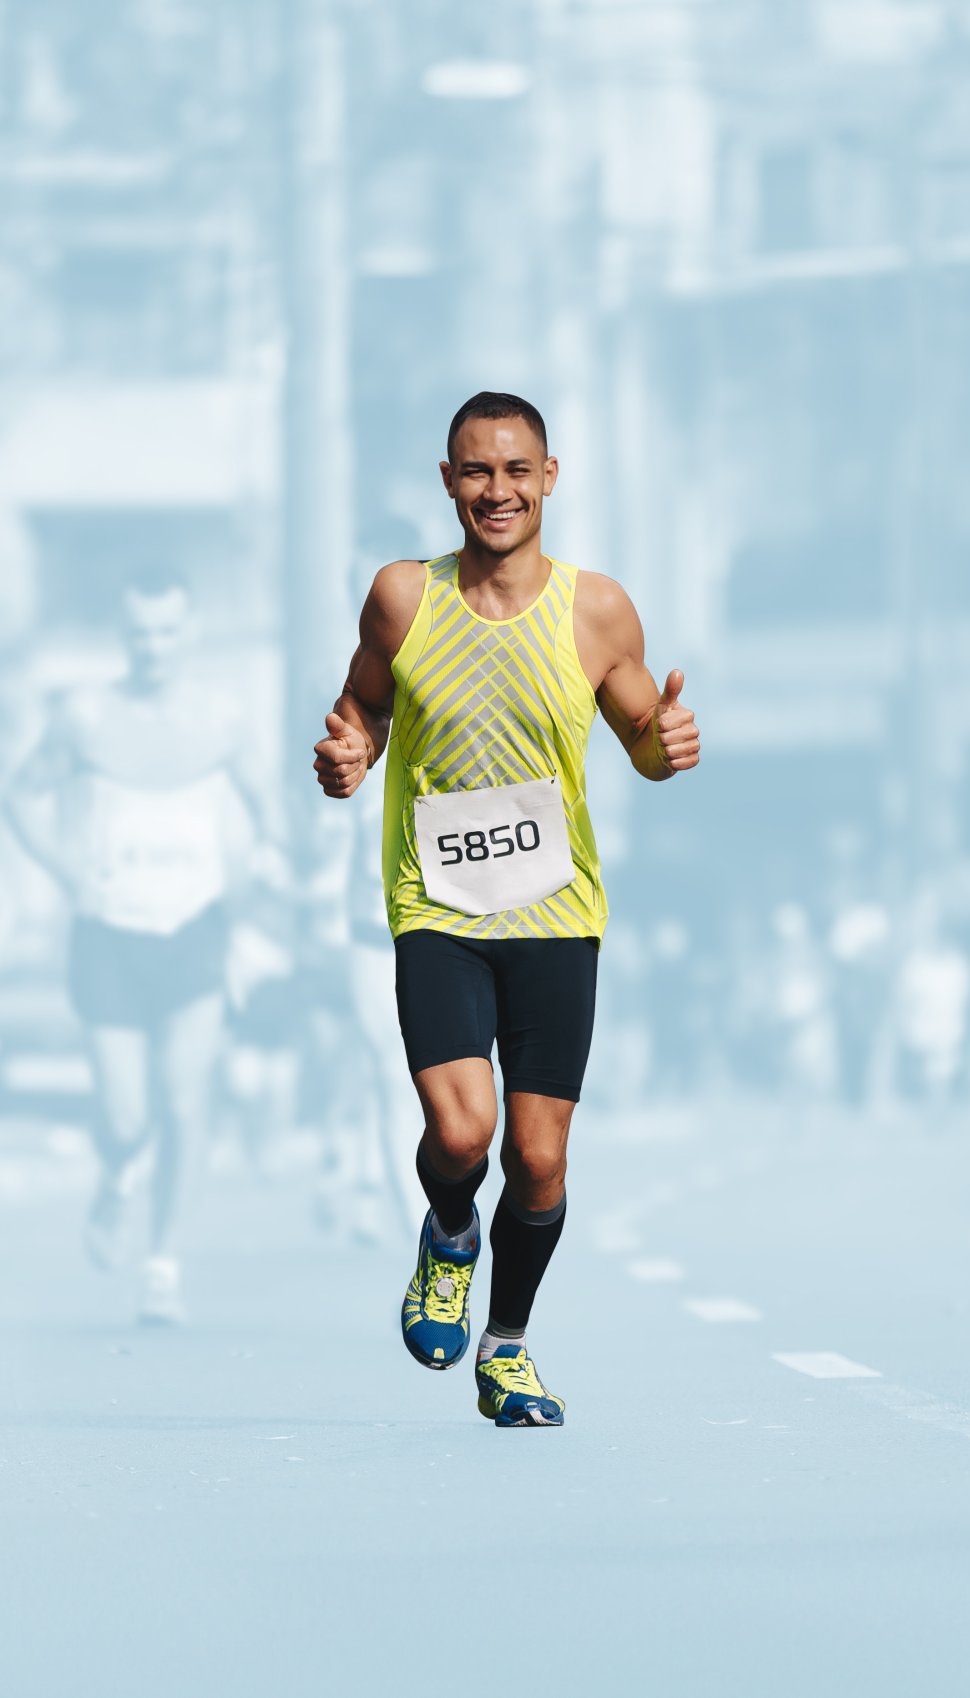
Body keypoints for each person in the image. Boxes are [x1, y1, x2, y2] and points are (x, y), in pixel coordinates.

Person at [313, 392, 700, 1426]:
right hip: (437, 906)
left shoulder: (595, 609)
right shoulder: (404, 596)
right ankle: (449, 1234)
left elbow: (642, 743)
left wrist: (665, 745)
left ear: (549, 478)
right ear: (448, 482)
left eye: (516, 470)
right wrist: (351, 752)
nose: (498, 490)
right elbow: (363, 705)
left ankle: (508, 1346)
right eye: (477, 471)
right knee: (461, 1133)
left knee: (536, 1160)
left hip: (555, 915)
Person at [5, 563, 285, 1323]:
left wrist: (259, 875)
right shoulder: (85, 715)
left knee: (184, 1102)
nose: (153, 647)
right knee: (125, 1114)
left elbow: (267, 808)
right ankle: (117, 1175)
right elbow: (19, 794)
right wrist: (64, 869)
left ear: (187, 631)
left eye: (165, 632)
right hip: (108, 930)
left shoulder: (221, 717)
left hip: (195, 926)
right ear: (121, 635)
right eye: (139, 634)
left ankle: (162, 1262)